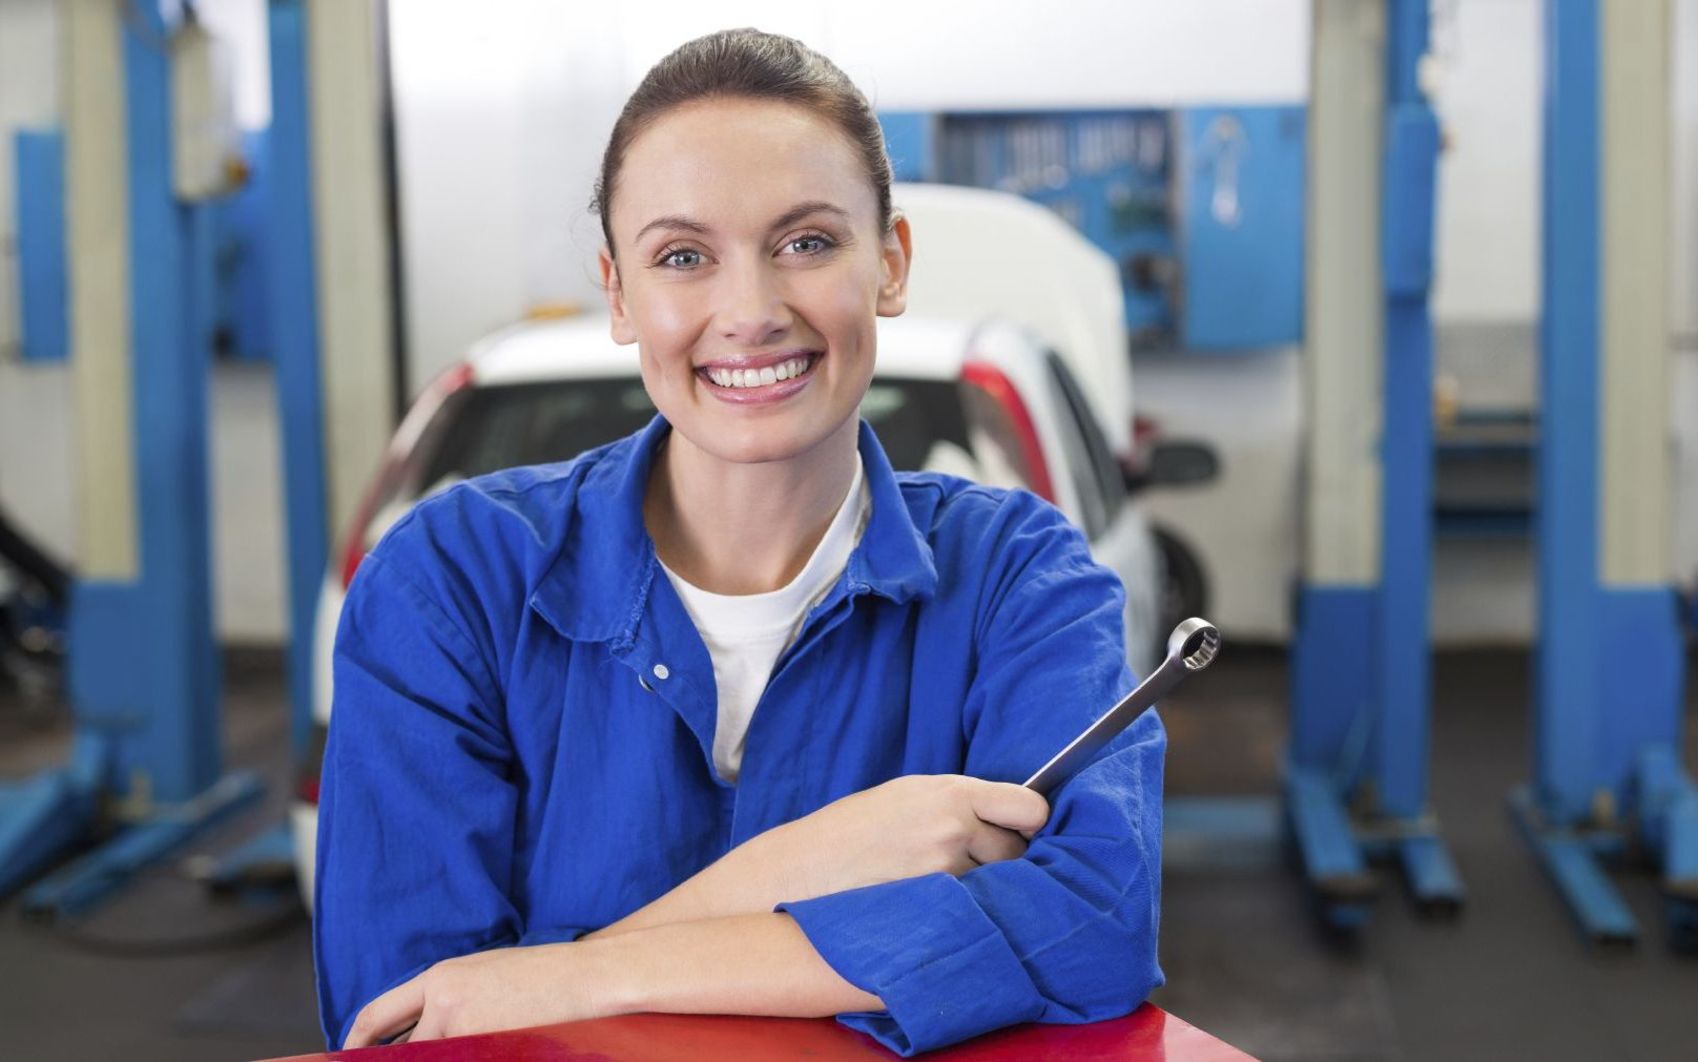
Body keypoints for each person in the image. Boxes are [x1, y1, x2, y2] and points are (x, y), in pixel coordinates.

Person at [314, 27, 1166, 1056]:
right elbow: (403, 1021)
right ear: (620, 293)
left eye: (807, 242)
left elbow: (1093, 931)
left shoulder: (1020, 581)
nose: (752, 311)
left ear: (889, 264)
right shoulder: (450, 583)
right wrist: (809, 865)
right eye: (683, 257)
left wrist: (567, 977)